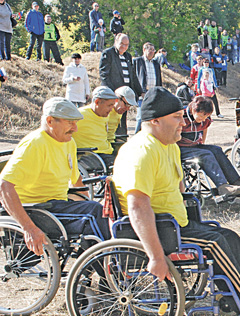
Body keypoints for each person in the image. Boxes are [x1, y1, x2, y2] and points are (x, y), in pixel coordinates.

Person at [111, 87, 240, 316]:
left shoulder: (167, 145)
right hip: (160, 231)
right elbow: (138, 207)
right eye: (176, 118)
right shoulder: (140, 151)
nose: (183, 123)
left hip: (176, 225)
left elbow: (179, 188)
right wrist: (155, 256)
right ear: (154, 121)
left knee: (229, 236)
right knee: (216, 244)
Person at [0, 97, 110, 256]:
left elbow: (76, 181)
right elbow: (4, 185)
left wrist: (88, 201)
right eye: (70, 123)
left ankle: (91, 271)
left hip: (56, 204)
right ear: (50, 121)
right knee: (93, 213)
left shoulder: (68, 142)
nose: (75, 129)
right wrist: (29, 228)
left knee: (102, 211)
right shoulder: (35, 144)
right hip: (37, 208)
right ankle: (108, 276)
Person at [178, 95, 240, 197]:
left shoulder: (205, 119)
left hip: (194, 146)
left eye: (205, 117)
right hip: (180, 148)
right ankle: (222, 186)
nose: (203, 119)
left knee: (217, 150)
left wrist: (201, 143)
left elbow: (204, 129)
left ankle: (236, 181)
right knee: (206, 154)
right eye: (201, 116)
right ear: (193, 110)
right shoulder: (181, 116)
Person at [99, 33, 142, 134]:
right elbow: (104, 75)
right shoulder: (108, 53)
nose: (124, 47)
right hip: (115, 95)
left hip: (126, 95)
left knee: (123, 121)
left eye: (126, 45)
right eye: (122, 44)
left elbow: (132, 75)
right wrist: (112, 94)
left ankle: (122, 140)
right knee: (112, 121)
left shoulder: (128, 56)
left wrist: (140, 92)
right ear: (116, 42)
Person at [73, 86, 119, 167]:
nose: (111, 109)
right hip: (90, 155)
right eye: (109, 105)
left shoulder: (105, 115)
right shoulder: (79, 115)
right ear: (97, 102)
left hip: (107, 152)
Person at [133, 42, 162, 134]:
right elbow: (133, 78)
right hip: (142, 95)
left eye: (153, 50)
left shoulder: (156, 64)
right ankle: (135, 138)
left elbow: (159, 80)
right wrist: (140, 91)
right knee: (141, 117)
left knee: (153, 118)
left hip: (153, 95)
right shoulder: (137, 61)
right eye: (150, 49)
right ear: (144, 49)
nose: (152, 52)